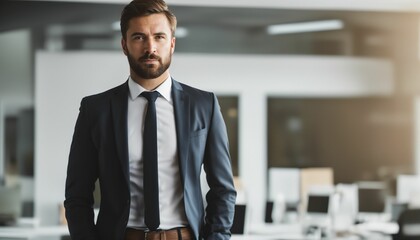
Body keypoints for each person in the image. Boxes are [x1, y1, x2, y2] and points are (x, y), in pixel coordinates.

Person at [64, 0, 237, 240]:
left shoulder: (203, 105)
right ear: (124, 45)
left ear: (172, 44)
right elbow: (77, 196)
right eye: (139, 37)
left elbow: (223, 190)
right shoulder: (96, 110)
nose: (150, 47)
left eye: (159, 37)